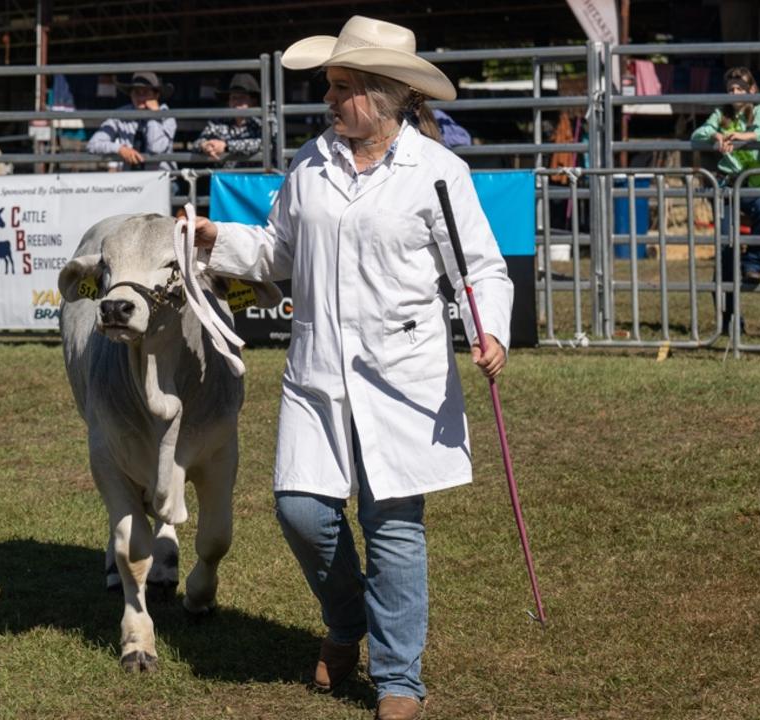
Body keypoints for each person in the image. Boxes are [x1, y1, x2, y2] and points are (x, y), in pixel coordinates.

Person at [193, 16, 512, 720]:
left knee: (394, 524)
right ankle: (349, 620)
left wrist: (492, 332)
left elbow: (479, 268)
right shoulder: (310, 164)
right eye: (330, 87)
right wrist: (216, 237)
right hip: (318, 370)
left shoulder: (437, 173)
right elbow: (278, 252)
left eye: (342, 88)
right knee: (300, 511)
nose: (329, 101)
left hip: (405, 376)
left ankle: (399, 679)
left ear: (386, 95)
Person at [690, 67, 760, 329]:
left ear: (752, 91)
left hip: (754, 188)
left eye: (740, 89)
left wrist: (750, 136)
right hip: (727, 187)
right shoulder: (722, 113)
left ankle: (755, 263)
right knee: (726, 251)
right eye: (731, 89)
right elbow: (695, 136)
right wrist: (716, 135)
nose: (734, 93)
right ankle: (729, 317)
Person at [86, 71, 177, 171]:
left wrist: (153, 115)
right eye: (137, 92)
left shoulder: (167, 116)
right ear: (131, 94)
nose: (141, 97)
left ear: (156, 96)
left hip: (161, 180)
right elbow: (92, 144)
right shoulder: (121, 114)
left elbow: (155, 148)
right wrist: (120, 149)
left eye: (145, 92)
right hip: (132, 182)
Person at [194, 73, 264, 166]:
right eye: (233, 98)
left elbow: (262, 144)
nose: (236, 102)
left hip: (253, 177)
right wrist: (206, 146)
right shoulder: (218, 122)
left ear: (253, 101)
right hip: (224, 178)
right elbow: (197, 143)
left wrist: (226, 146)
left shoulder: (260, 123)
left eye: (242, 98)